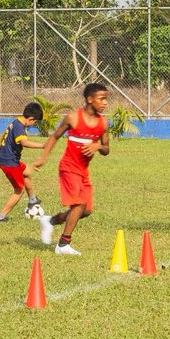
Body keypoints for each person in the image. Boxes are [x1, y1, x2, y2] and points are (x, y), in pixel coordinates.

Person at [42, 82, 110, 255]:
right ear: (90, 99)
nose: (105, 103)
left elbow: (106, 149)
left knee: (85, 211)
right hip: (68, 168)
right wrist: (43, 157)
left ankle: (51, 221)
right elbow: (55, 136)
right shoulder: (73, 118)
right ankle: (63, 245)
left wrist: (97, 146)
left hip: (83, 172)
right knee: (79, 204)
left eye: (106, 99)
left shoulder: (103, 123)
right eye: (101, 99)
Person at [0, 102, 51, 236]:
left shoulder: (16, 122)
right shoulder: (20, 127)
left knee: (26, 173)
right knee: (19, 190)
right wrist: (43, 145)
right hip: (9, 163)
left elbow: (6, 133)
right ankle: (1, 216)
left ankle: (32, 199)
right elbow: (24, 142)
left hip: (10, 160)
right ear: (31, 119)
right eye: (34, 122)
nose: (33, 125)